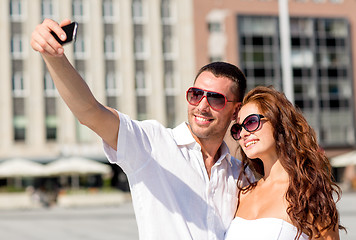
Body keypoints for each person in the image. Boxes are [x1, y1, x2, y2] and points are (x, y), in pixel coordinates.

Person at [31, 19, 254, 240]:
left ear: (236, 112)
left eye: (216, 99)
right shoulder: (153, 144)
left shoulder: (241, 175)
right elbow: (90, 112)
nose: (202, 106)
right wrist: (54, 58)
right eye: (196, 94)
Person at [225, 86, 345, 240]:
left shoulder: (307, 195)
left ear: (278, 123)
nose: (243, 133)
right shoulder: (242, 194)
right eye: (238, 128)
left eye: (251, 122)